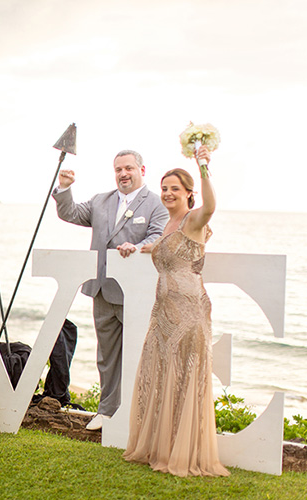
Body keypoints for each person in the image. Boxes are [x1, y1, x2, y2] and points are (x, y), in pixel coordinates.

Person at [123, 146, 229, 477]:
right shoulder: (167, 225)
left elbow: (211, 206)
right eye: (164, 188)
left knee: (185, 376)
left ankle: (185, 452)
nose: (168, 194)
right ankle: (161, 446)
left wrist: (202, 165)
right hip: (163, 310)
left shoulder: (193, 220)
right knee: (160, 374)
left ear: (188, 194)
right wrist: (136, 246)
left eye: (175, 189)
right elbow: (159, 248)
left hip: (190, 311)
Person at [52, 150, 168, 430]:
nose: (123, 174)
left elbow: (159, 236)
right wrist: (65, 188)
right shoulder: (100, 201)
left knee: (140, 355)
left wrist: (138, 248)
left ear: (142, 169)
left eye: (128, 168)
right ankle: (106, 411)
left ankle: (140, 414)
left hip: (136, 294)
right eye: (118, 169)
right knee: (106, 356)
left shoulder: (156, 203)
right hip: (103, 290)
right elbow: (70, 212)